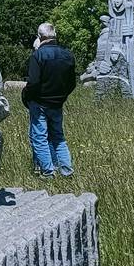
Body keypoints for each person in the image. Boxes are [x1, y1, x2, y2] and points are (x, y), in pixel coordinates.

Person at [21, 22, 76, 178]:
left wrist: (26, 96)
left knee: (40, 137)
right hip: (57, 103)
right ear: (54, 35)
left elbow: (33, 83)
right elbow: (72, 83)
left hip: (39, 102)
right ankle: (66, 170)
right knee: (58, 137)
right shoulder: (68, 55)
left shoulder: (38, 55)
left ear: (39, 36)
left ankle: (48, 172)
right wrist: (62, 96)